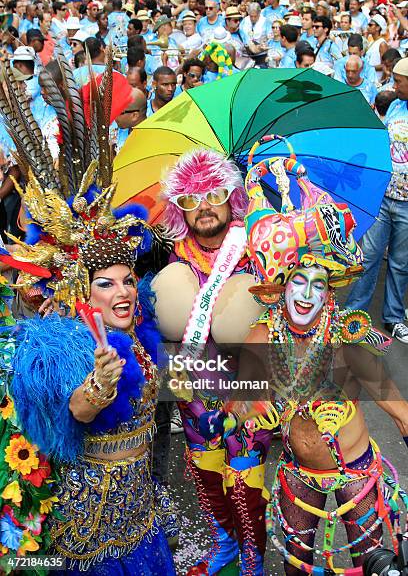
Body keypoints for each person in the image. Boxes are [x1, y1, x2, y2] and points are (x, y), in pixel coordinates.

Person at [0, 51, 177, 574]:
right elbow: (75, 411)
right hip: (92, 525)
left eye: (127, 280)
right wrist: (100, 384)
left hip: (140, 512)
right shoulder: (67, 346)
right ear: (82, 289)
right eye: (106, 284)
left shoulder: (139, 328)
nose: (122, 291)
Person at [229, 137, 408, 574]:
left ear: (330, 290)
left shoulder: (344, 336)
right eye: (297, 281)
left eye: (318, 283)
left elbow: (399, 410)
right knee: (296, 564)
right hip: (297, 471)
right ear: (281, 287)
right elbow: (235, 406)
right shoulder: (261, 334)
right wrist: (259, 410)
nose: (306, 293)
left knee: (372, 561)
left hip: (355, 470)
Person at [151, 149, 274, 575]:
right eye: (190, 199)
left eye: (213, 193)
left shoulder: (258, 245)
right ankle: (225, 542)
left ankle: (253, 556)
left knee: (245, 478)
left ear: (232, 198)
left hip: (246, 393)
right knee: (206, 473)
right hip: (195, 394)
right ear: (179, 208)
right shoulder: (173, 257)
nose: (203, 206)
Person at [346, 57, 408, 343]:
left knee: (399, 263)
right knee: (368, 257)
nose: (394, 86)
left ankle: (393, 317)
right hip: (384, 196)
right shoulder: (395, 106)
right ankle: (352, 313)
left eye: (398, 81)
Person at [366, 14, 389, 81]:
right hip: (369, 78)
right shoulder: (371, 41)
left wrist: (369, 67)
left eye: (371, 25)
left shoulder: (382, 44)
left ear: (378, 28)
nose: (368, 27)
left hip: (377, 79)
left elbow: (384, 65)